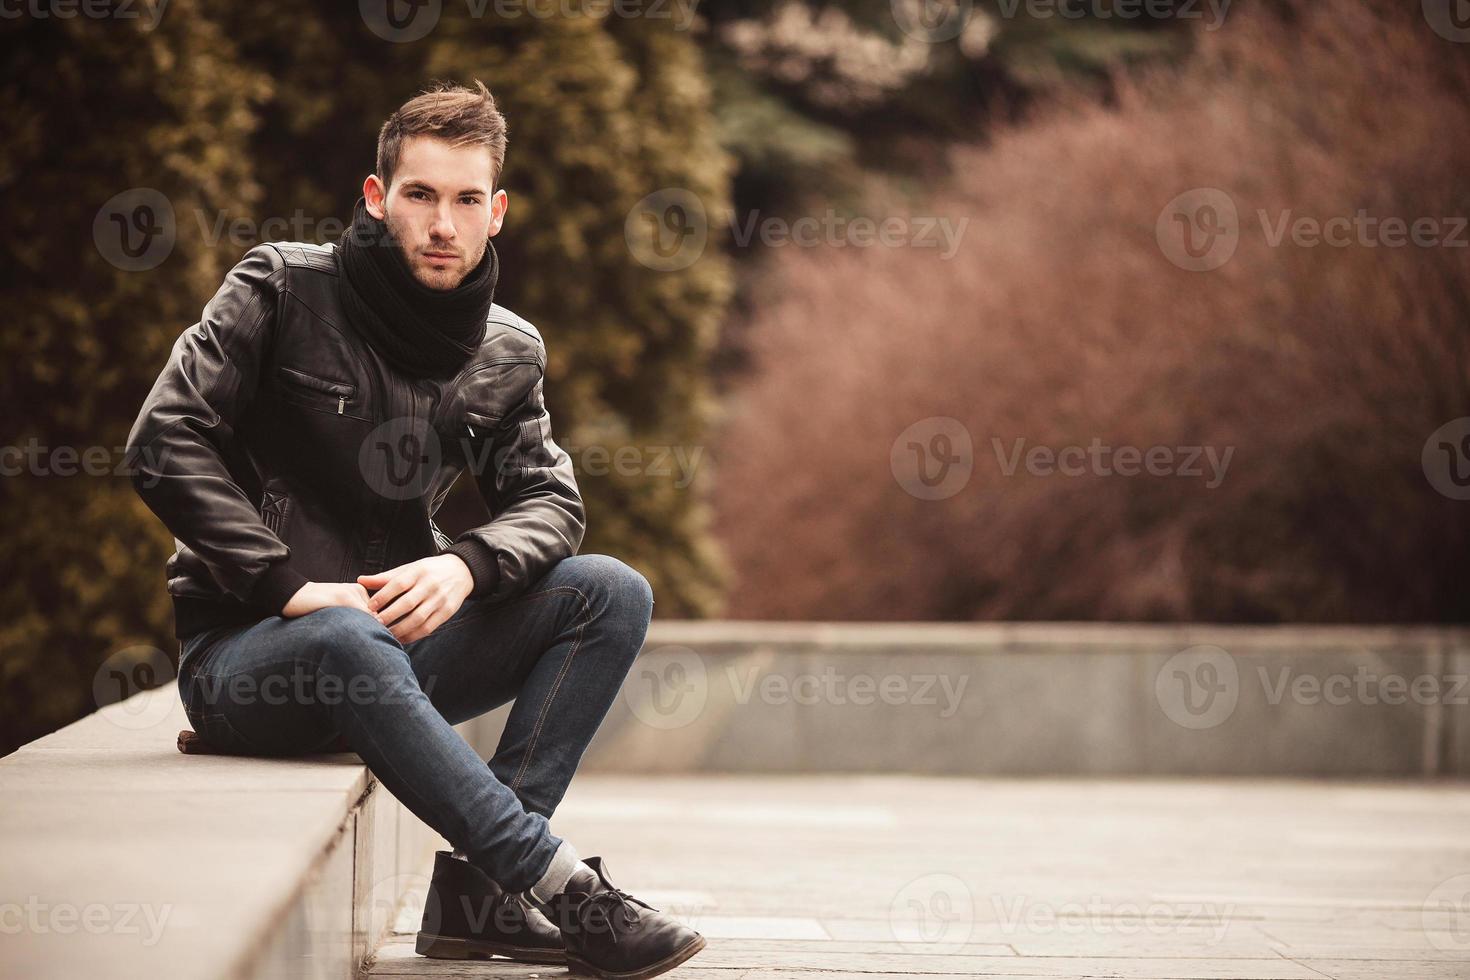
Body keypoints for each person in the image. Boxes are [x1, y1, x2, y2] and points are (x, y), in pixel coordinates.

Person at [125, 79, 705, 979]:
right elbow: (163, 439)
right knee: (346, 635)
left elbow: (554, 504)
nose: (443, 223)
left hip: (392, 645)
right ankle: (558, 886)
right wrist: (284, 585)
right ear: (375, 196)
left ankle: (478, 893)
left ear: (497, 213)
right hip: (250, 659)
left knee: (611, 592)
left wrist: (468, 566)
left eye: (467, 200)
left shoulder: (507, 349)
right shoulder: (280, 287)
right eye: (421, 195)